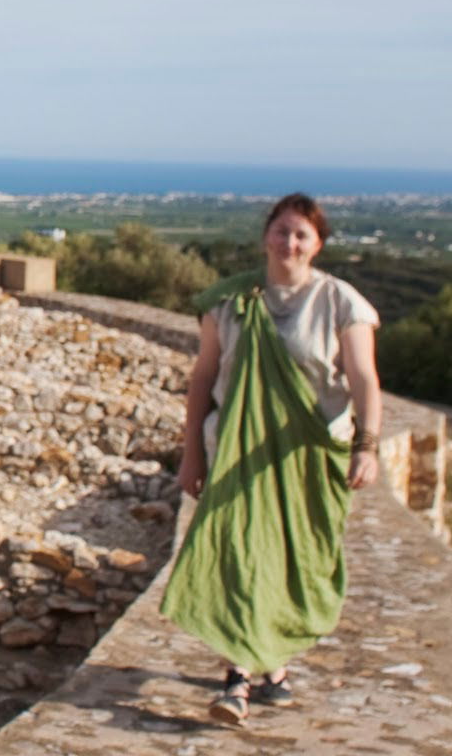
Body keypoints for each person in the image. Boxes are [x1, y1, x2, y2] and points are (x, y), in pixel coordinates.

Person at [161, 193, 383, 725]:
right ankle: (237, 676)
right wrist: (191, 455)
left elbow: (363, 378)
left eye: (302, 234)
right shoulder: (228, 302)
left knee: (294, 559)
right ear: (266, 236)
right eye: (282, 231)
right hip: (235, 451)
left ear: (317, 244)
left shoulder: (340, 302)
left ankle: (275, 663)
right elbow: (203, 381)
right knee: (240, 556)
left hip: (309, 455)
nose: (290, 243)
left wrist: (367, 445)